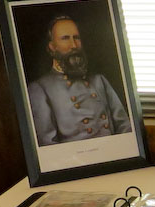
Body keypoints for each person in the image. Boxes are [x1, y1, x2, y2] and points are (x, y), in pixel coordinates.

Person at [26, 14, 131, 145]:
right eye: (65, 38)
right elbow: (48, 145)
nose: (74, 45)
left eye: (76, 38)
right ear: (52, 46)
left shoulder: (99, 80)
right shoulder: (40, 88)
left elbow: (125, 127)